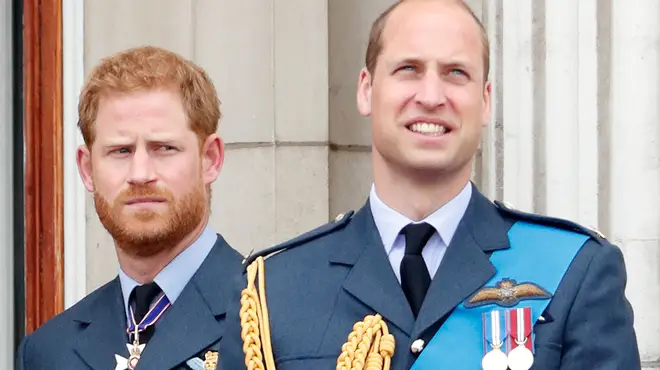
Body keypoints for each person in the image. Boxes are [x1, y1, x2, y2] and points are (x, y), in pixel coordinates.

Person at [220, 0, 641, 369]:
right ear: (366, 90)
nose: (431, 95)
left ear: (485, 100)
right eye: (409, 69)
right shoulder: (275, 289)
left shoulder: (576, 272)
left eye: (456, 73)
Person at [16, 46, 243, 370]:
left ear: (210, 159)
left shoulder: (276, 318)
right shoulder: (48, 352)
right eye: (121, 151)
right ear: (87, 168)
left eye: (164, 148)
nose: (140, 174)